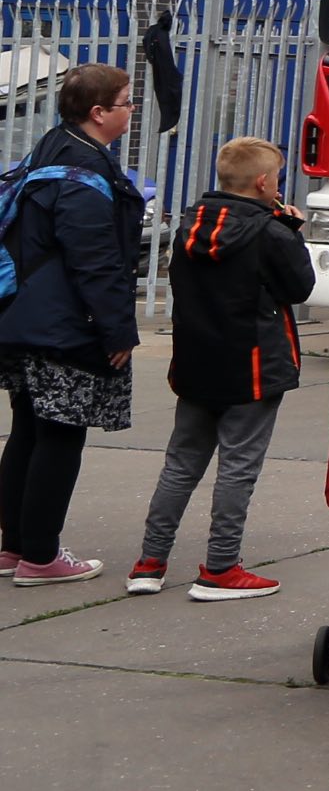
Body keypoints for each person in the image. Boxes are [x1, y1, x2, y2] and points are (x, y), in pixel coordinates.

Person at [129, 135, 313, 600]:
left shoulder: (190, 222)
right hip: (251, 365)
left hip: (196, 362)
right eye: (277, 178)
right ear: (264, 182)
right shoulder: (270, 231)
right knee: (238, 467)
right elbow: (299, 287)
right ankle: (220, 567)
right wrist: (292, 233)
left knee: (181, 463)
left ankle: (150, 562)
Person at [0, 62, 144, 588]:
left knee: (29, 432)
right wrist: (117, 330)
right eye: (127, 102)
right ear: (98, 112)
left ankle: (15, 547)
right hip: (64, 323)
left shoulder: (52, 146)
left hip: (28, 314)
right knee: (60, 436)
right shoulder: (84, 172)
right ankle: (41, 557)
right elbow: (95, 259)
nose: (132, 111)